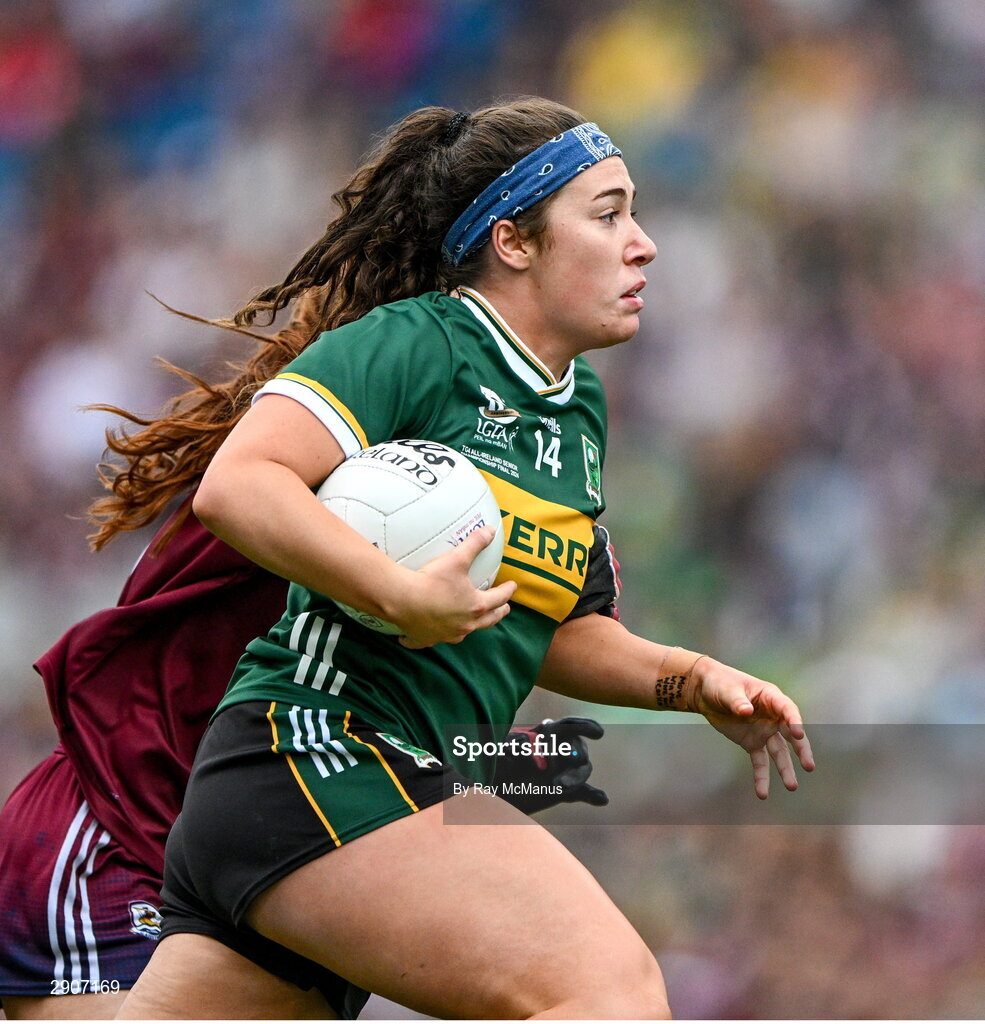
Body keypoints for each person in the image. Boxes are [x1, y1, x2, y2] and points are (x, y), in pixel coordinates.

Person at [107, 97, 813, 1020]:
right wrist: (398, 593)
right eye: (607, 215)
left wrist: (691, 678)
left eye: (634, 213)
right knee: (609, 992)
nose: (643, 244)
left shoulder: (575, 411)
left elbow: (548, 627)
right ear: (513, 243)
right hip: (319, 751)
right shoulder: (415, 343)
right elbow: (239, 484)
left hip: (361, 788)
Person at [0, 293, 610, 1020]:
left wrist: (527, 759)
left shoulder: (501, 487)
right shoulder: (316, 472)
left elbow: (463, 682)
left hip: (268, 861)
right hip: (120, 824)